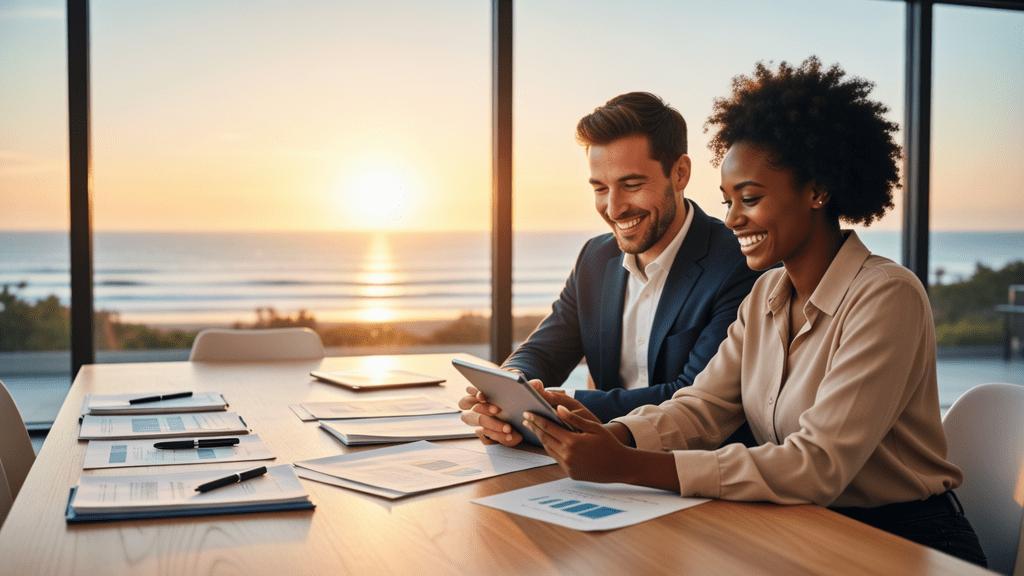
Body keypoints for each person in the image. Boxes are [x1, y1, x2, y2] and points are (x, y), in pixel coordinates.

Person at [499, 59, 987, 566]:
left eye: (749, 198)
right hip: (802, 526)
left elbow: (817, 465)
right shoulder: (766, 295)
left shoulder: (887, 296)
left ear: (818, 190)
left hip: (905, 542)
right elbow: (702, 407)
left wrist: (631, 465)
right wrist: (614, 435)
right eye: (727, 200)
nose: (732, 219)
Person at [461, 92, 760, 445]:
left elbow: (693, 398)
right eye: (600, 188)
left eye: (631, 185)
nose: (614, 208)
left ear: (680, 174)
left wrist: (554, 405)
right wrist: (506, 393)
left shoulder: (739, 262)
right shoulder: (595, 258)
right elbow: (544, 349)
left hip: (698, 472)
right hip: (599, 471)